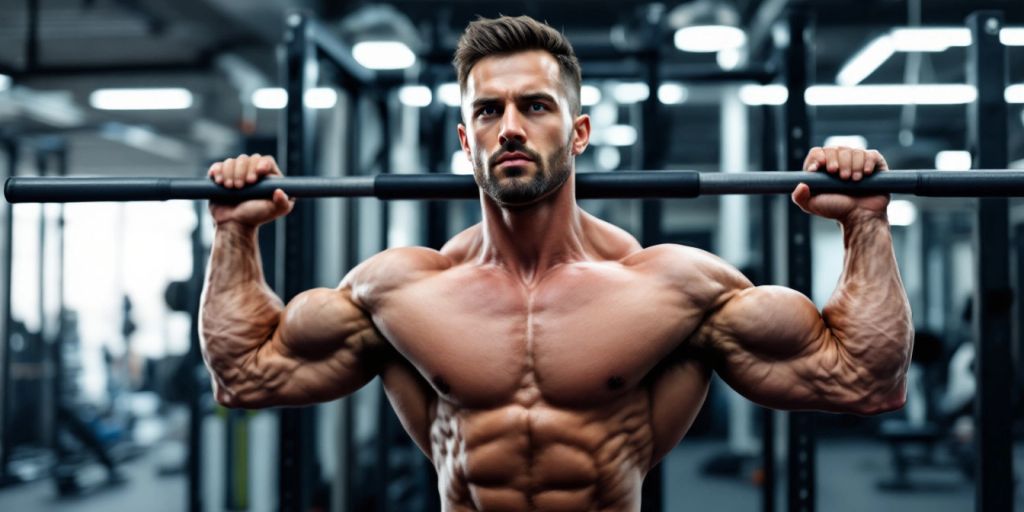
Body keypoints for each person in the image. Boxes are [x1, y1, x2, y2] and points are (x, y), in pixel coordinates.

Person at [200, 15, 912, 511]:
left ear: (577, 133)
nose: (509, 127)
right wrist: (234, 234)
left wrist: (865, 224)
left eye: (534, 106)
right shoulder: (401, 291)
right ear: (464, 138)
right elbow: (245, 376)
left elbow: (864, 380)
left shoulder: (671, 289)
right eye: (487, 111)